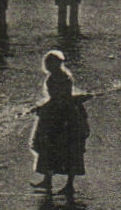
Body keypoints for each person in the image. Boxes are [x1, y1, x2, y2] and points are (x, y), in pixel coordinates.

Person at [30, 50, 90, 197]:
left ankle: (67, 185)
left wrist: (42, 107)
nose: (47, 66)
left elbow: (59, 98)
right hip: (61, 113)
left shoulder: (60, 77)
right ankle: (49, 181)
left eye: (49, 63)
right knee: (53, 148)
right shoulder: (59, 76)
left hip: (63, 117)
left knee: (66, 149)